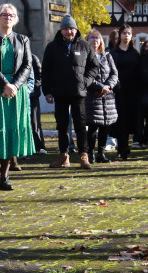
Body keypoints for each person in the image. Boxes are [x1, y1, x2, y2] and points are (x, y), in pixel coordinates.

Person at [0, 4, 35, 190]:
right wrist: (5, 84)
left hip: (17, 92)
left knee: (11, 133)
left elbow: (27, 66)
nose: (7, 17)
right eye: (4, 14)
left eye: (11, 15)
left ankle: (5, 177)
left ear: (16, 18)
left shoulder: (23, 39)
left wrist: (15, 86)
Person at [41, 15, 102, 170]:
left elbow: (94, 67)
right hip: (59, 93)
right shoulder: (52, 47)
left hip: (78, 93)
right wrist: (47, 91)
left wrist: (86, 82)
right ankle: (64, 156)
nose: (69, 32)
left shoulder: (85, 46)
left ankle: (83, 156)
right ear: (61, 30)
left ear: (76, 29)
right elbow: (46, 71)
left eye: (72, 28)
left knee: (81, 126)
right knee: (61, 126)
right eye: (66, 29)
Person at [84, 30, 119, 163]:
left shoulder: (107, 56)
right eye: (91, 38)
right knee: (93, 126)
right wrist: (99, 87)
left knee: (106, 126)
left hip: (108, 97)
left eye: (97, 38)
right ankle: (91, 153)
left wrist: (108, 87)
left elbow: (114, 74)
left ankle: (101, 153)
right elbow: (84, 76)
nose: (94, 40)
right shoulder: (85, 56)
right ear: (87, 41)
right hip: (92, 95)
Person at [108, 24, 141, 160]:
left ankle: (127, 146)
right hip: (118, 91)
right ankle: (122, 148)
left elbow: (140, 73)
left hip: (133, 91)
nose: (126, 36)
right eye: (124, 33)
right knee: (120, 120)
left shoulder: (135, 54)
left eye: (129, 33)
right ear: (119, 35)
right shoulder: (113, 53)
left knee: (131, 119)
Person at [28, 49, 45, 153]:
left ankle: (39, 146)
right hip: (19, 93)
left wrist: (34, 87)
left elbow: (39, 75)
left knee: (35, 122)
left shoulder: (33, 58)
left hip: (33, 95)